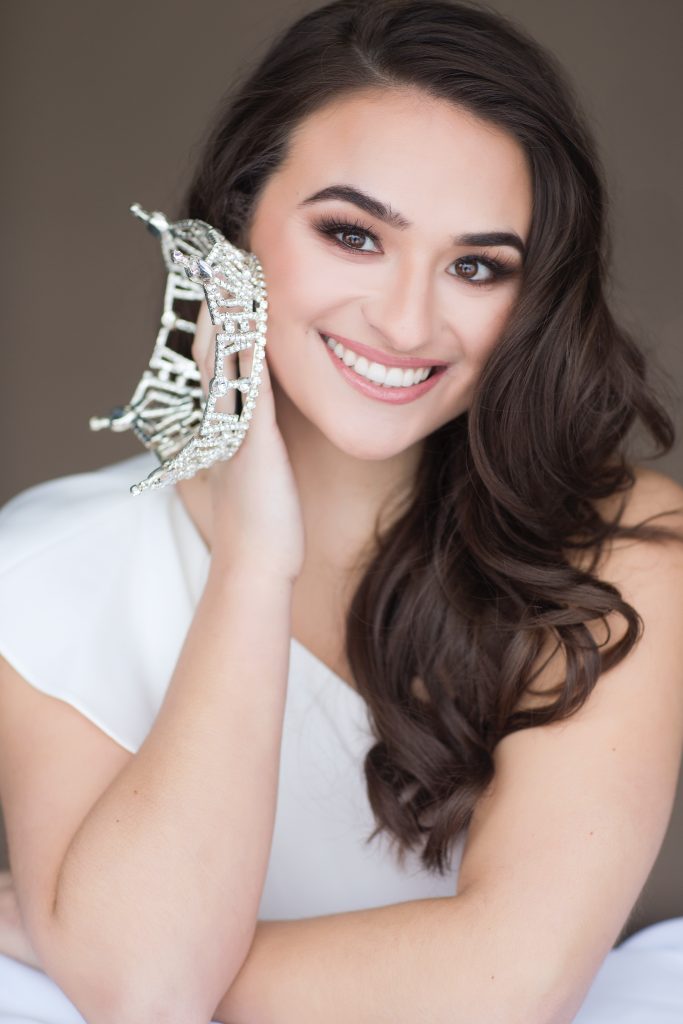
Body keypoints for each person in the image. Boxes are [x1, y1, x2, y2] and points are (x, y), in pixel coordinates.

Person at [1, 0, 682, 1020]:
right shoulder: (47, 568)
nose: (406, 320)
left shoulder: (623, 551)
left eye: (474, 266)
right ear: (231, 233)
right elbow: (143, 991)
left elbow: (509, 986)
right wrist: (253, 560)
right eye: (353, 234)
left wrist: (104, 949)